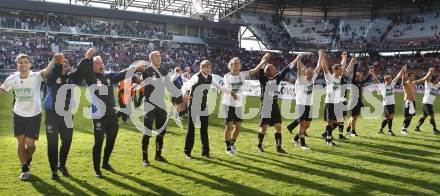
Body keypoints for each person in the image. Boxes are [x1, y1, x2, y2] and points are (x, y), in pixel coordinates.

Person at [82, 48, 146, 177]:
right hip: (99, 116)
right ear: (91, 66)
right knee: (99, 142)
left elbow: (122, 74)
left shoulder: (109, 76)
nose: (101, 64)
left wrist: (134, 67)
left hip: (111, 115)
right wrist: (88, 58)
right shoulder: (90, 77)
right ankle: (96, 169)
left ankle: (105, 163)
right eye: (97, 63)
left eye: (101, 62)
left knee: (111, 140)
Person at [0, 54, 53, 180]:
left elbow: (46, 71)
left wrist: (53, 60)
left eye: (25, 62)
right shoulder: (12, 78)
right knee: (21, 142)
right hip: (18, 114)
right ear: (17, 64)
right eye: (20, 62)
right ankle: (24, 167)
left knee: (30, 145)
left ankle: (28, 157)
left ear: (30, 64)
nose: (23, 64)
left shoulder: (35, 76)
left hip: (34, 115)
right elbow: (2, 91)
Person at [43, 51, 92, 180]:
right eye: (62, 63)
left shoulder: (71, 78)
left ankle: (62, 164)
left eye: (66, 63)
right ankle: (54, 170)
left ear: (69, 67)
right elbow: (55, 71)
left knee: (67, 141)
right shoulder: (52, 76)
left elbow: (81, 71)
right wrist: (57, 62)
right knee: (52, 143)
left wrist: (87, 58)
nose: (64, 65)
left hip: (67, 115)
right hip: (52, 115)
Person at [141, 51, 185, 166]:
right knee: (147, 132)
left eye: (160, 56)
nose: (159, 58)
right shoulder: (146, 70)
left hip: (161, 104)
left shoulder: (164, 71)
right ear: (151, 58)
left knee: (162, 131)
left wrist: (178, 96)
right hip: (150, 104)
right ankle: (145, 158)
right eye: (156, 56)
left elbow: (169, 85)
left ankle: (158, 155)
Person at [184, 60, 234, 159]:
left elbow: (220, 87)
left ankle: (205, 152)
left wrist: (231, 92)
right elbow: (185, 86)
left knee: (204, 130)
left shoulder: (210, 77)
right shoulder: (196, 77)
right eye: (207, 67)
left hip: (203, 106)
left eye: (210, 67)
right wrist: (185, 94)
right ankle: (187, 152)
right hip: (193, 105)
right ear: (202, 68)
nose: (209, 69)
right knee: (191, 130)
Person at [222, 53, 270, 156]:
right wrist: (232, 94)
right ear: (231, 65)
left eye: (239, 63)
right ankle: (228, 148)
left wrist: (263, 61)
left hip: (238, 105)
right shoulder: (227, 76)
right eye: (235, 63)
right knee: (229, 126)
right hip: (228, 104)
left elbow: (254, 70)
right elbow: (226, 89)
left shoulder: (243, 74)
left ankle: (232, 143)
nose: (237, 64)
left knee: (238, 127)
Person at [256, 54, 299, 153]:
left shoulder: (277, 78)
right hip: (266, 105)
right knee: (264, 127)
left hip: (274, 105)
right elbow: (261, 67)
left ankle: (278, 147)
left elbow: (286, 69)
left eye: (275, 68)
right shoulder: (263, 79)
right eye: (272, 69)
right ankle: (259, 145)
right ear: (267, 71)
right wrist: (264, 58)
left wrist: (296, 59)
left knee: (278, 126)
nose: (275, 70)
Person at [290, 49, 323, 149]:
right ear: (306, 74)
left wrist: (321, 56)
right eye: (310, 73)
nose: (312, 74)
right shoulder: (301, 80)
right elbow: (299, 70)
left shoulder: (312, 78)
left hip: (309, 104)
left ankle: (295, 139)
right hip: (301, 104)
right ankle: (303, 145)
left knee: (307, 125)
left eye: (312, 73)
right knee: (302, 125)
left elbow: (318, 67)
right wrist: (299, 60)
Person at [401, 66, 434, 135]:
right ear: (409, 76)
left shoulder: (414, 82)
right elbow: (403, 82)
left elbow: (423, 79)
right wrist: (403, 74)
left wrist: (429, 72)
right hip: (407, 101)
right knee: (407, 116)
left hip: (413, 101)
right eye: (412, 76)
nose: (413, 77)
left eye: (414, 76)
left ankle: (405, 128)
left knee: (411, 115)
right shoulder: (406, 83)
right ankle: (403, 129)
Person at [372, 66, 405, 136]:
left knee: (387, 118)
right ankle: (389, 131)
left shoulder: (392, 84)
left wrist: (402, 69)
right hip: (386, 104)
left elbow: (398, 76)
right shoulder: (382, 86)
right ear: (387, 80)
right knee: (390, 116)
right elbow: (376, 79)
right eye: (390, 79)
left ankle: (381, 129)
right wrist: (372, 73)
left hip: (392, 103)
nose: (391, 80)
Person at [321, 59, 345, 146]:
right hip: (330, 102)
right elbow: (324, 68)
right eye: (340, 69)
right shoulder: (329, 77)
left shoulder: (338, 79)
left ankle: (326, 134)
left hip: (336, 103)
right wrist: (322, 56)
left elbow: (342, 66)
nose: (341, 70)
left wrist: (344, 58)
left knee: (338, 121)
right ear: (335, 69)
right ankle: (329, 140)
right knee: (329, 122)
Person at [344, 65, 373, 137]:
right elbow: (354, 74)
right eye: (360, 76)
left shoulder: (359, 83)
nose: (361, 77)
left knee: (354, 117)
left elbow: (365, 81)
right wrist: (355, 65)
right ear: (356, 77)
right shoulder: (354, 82)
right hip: (353, 102)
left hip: (358, 102)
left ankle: (348, 130)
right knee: (353, 117)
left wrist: (370, 74)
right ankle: (352, 131)